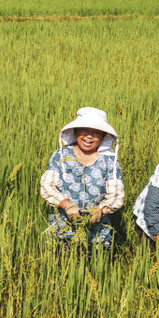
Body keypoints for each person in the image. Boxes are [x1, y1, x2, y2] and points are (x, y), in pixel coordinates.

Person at [38, 107, 125, 250]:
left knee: (96, 271)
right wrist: (66, 205)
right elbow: (47, 186)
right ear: (75, 131)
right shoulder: (61, 155)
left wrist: (100, 210)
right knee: (59, 269)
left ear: (103, 136)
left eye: (96, 132)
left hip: (98, 235)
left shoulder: (109, 161)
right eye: (84, 130)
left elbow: (116, 195)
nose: (89, 136)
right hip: (62, 230)